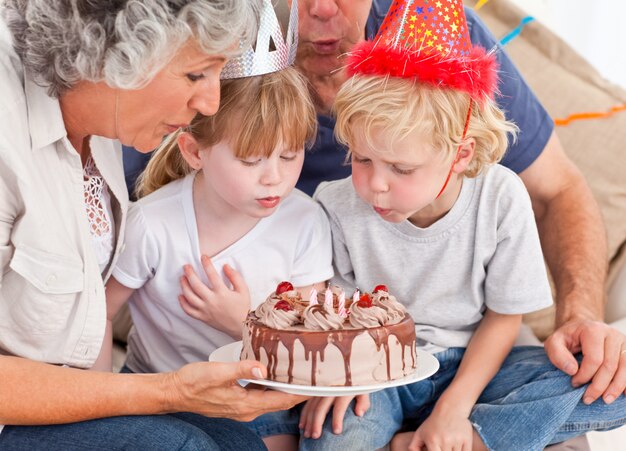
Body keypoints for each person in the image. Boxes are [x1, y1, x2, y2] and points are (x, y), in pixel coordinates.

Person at [122, 0, 625, 415]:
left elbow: (558, 189)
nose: (320, 10)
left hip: (469, 354)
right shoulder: (207, 50)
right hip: (335, 350)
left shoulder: (434, 39)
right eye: (359, 158)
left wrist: (579, 317)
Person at [310, 1, 626, 449]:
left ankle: (464, 438)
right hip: (378, 370)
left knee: (613, 393)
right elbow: (338, 312)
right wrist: (347, 370)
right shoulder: (336, 204)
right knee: (332, 435)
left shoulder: (500, 197)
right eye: (361, 158)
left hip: (480, 365)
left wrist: (453, 409)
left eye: (401, 169)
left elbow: (503, 317)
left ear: (460, 154)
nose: (374, 186)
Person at [0, 1, 307, 449]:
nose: (211, 101)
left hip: (69, 400)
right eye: (195, 74)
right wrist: (169, 391)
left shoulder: (105, 121)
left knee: (237, 443)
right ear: (115, 52)